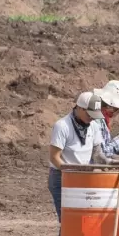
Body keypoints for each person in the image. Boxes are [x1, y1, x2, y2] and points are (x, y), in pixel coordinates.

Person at [48, 91, 104, 222]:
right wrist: (71, 173)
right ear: (79, 108)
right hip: (61, 177)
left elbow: (97, 154)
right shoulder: (62, 126)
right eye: (89, 114)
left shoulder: (94, 126)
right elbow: (54, 157)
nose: (92, 118)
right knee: (68, 220)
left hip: (83, 176)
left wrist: (110, 162)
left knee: (82, 218)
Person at [92, 80, 119, 163]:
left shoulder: (102, 118)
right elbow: (102, 152)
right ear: (111, 107)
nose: (118, 112)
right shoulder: (96, 120)